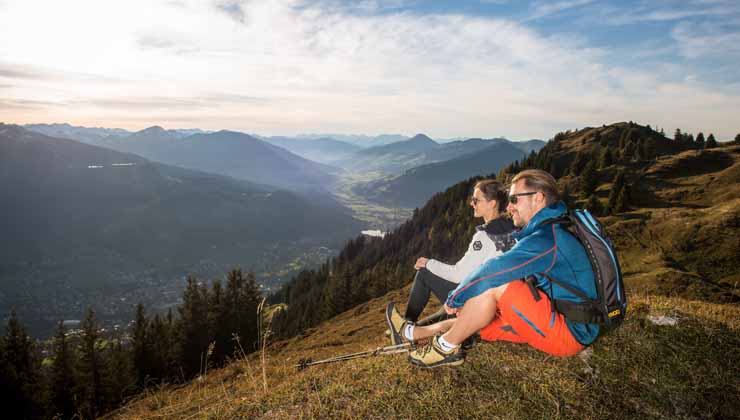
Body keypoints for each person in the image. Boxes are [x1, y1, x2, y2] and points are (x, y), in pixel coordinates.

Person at [394, 169, 600, 368]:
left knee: (497, 282)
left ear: (537, 198)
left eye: (514, 200)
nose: (509, 208)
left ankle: (445, 349)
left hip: (570, 333)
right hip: (558, 317)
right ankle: (414, 334)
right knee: (475, 321)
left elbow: (494, 270)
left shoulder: (547, 238)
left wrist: (456, 296)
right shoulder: (551, 229)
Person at [385, 179, 515, 346]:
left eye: (476, 200)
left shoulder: (485, 236)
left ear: (492, 204)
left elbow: (459, 274)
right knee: (444, 310)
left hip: (484, 302)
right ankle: (409, 331)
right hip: (498, 301)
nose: (471, 204)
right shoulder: (510, 227)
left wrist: (428, 263)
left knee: (424, 274)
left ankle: (406, 324)